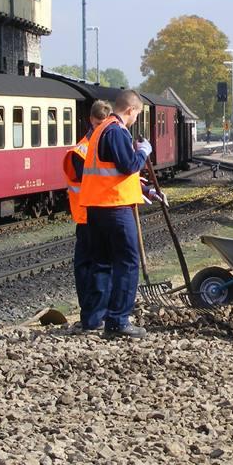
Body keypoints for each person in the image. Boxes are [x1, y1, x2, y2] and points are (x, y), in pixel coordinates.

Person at [79, 89, 152, 338]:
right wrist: (143, 151)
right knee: (127, 263)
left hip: (96, 207)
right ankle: (118, 320)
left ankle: (93, 319)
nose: (135, 121)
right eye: (136, 115)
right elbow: (128, 166)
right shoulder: (117, 130)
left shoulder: (99, 130)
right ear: (130, 110)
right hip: (115, 207)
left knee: (101, 262)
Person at [63, 100, 112, 330]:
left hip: (96, 214)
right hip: (88, 216)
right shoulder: (83, 151)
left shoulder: (99, 145)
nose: (103, 126)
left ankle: (94, 315)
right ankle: (93, 316)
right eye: (100, 122)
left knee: (92, 267)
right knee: (93, 268)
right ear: (92, 121)